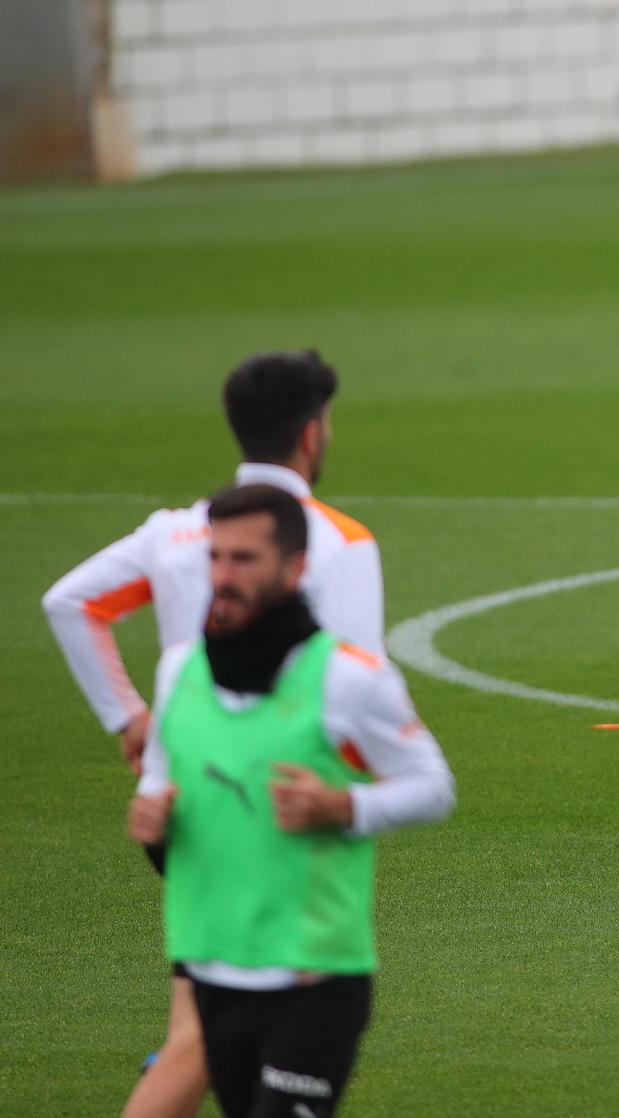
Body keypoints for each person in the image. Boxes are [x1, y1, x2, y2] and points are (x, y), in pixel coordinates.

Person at [41, 349, 382, 1118]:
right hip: (283, 812)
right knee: (221, 1029)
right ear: (310, 435)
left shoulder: (177, 532)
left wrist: (130, 717)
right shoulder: (338, 540)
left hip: (185, 800)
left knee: (197, 1026)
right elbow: (359, 687)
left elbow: (71, 604)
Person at [126, 484, 454, 1118]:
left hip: (313, 976)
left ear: (296, 567)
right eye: (215, 557)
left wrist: (345, 808)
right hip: (211, 968)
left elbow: (434, 787)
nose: (223, 576)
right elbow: (163, 790)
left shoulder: (348, 678)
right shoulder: (178, 671)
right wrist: (154, 822)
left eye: (244, 559)